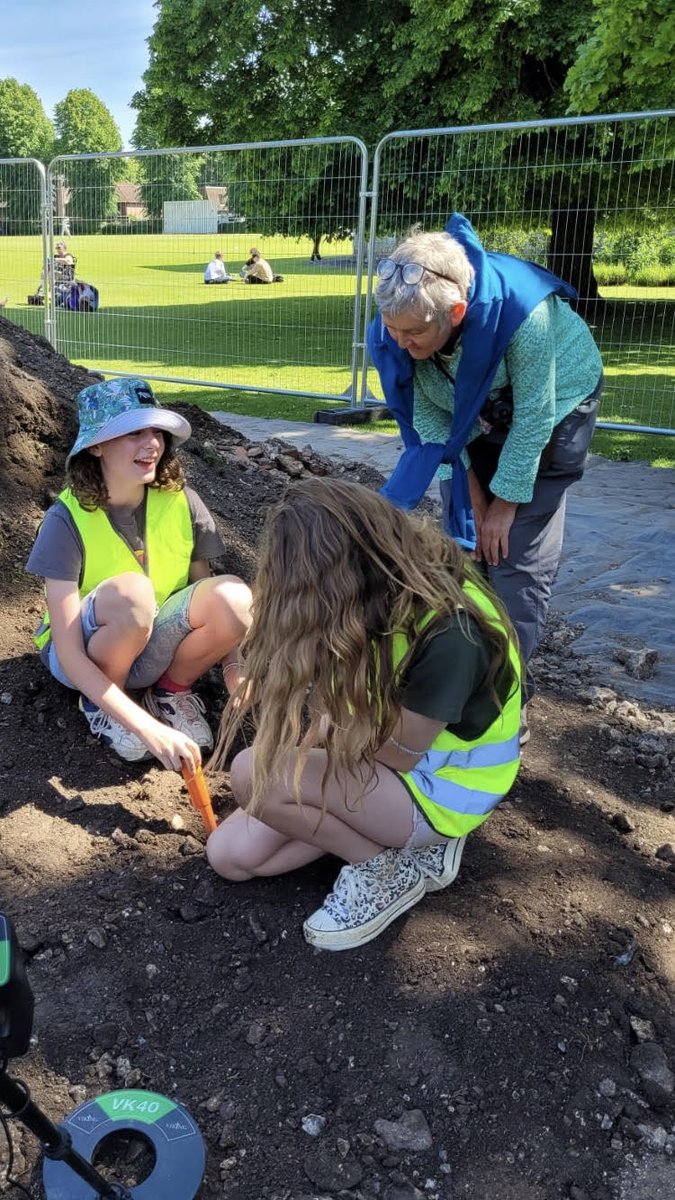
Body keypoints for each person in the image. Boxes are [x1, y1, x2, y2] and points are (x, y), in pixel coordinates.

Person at [206, 478, 521, 952]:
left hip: (441, 787)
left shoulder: (451, 632)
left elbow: (401, 754)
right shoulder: (375, 599)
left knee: (256, 774)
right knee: (230, 857)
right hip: (384, 761)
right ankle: (387, 847)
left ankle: (387, 870)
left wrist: (324, 729)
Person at [367, 215, 603, 734]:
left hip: (555, 404)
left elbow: (536, 414)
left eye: (414, 333)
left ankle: (506, 697)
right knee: (466, 545)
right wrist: (470, 491)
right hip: (469, 409)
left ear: (456, 311)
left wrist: (504, 505)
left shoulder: (525, 317)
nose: (400, 342)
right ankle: (457, 672)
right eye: (393, 331)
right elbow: (428, 417)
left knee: (513, 555)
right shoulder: (402, 323)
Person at [25, 377, 252, 771]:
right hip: (85, 660)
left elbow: (205, 595)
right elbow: (70, 653)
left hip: (154, 642)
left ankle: (171, 692)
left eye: (156, 431)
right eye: (133, 432)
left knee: (234, 596)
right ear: (96, 446)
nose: (152, 444)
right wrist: (146, 728)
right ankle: (110, 708)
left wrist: (234, 666)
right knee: (133, 594)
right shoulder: (65, 520)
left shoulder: (182, 502)